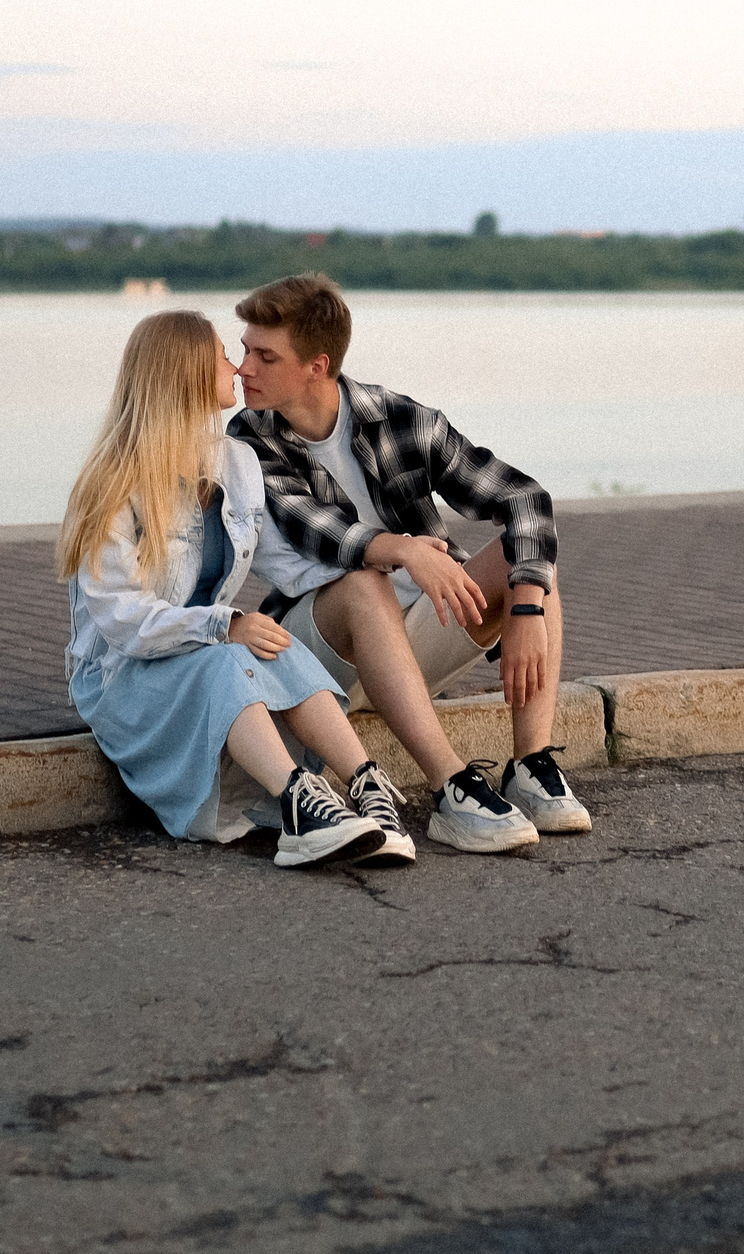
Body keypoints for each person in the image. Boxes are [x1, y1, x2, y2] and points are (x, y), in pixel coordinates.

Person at [228, 272, 593, 849]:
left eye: (263, 355)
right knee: (364, 584)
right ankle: (451, 789)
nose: (242, 367)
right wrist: (400, 549)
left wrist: (524, 612)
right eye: (245, 349)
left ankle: (530, 765)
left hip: (410, 642)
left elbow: (526, 499)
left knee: (530, 562)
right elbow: (318, 531)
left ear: (316, 366)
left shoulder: (402, 420)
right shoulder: (249, 440)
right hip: (319, 653)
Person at [58, 309, 421, 869]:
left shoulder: (236, 460)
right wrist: (223, 625)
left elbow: (289, 563)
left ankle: (368, 789)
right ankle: (300, 805)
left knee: (277, 642)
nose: (236, 366)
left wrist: (383, 563)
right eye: (223, 355)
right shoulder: (113, 481)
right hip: (122, 674)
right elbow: (119, 617)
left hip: (199, 653)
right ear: (185, 372)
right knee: (232, 655)